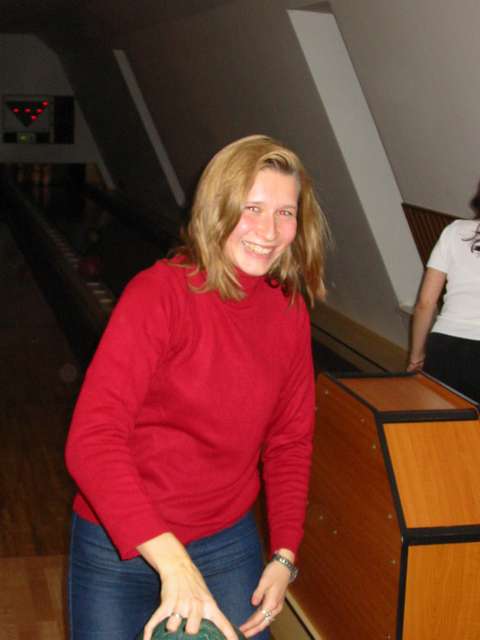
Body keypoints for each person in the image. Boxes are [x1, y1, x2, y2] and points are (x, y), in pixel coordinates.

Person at [65, 134, 330, 640]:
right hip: (118, 536)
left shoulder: (289, 310)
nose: (269, 230)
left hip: (223, 540)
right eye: (252, 208)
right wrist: (173, 562)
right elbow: (92, 441)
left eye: (285, 213)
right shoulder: (159, 295)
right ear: (217, 208)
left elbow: (289, 443)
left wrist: (284, 556)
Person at [407, 184, 480, 402]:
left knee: (442, 420)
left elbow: (425, 303)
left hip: (446, 345)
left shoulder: (454, 231)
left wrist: (416, 356)